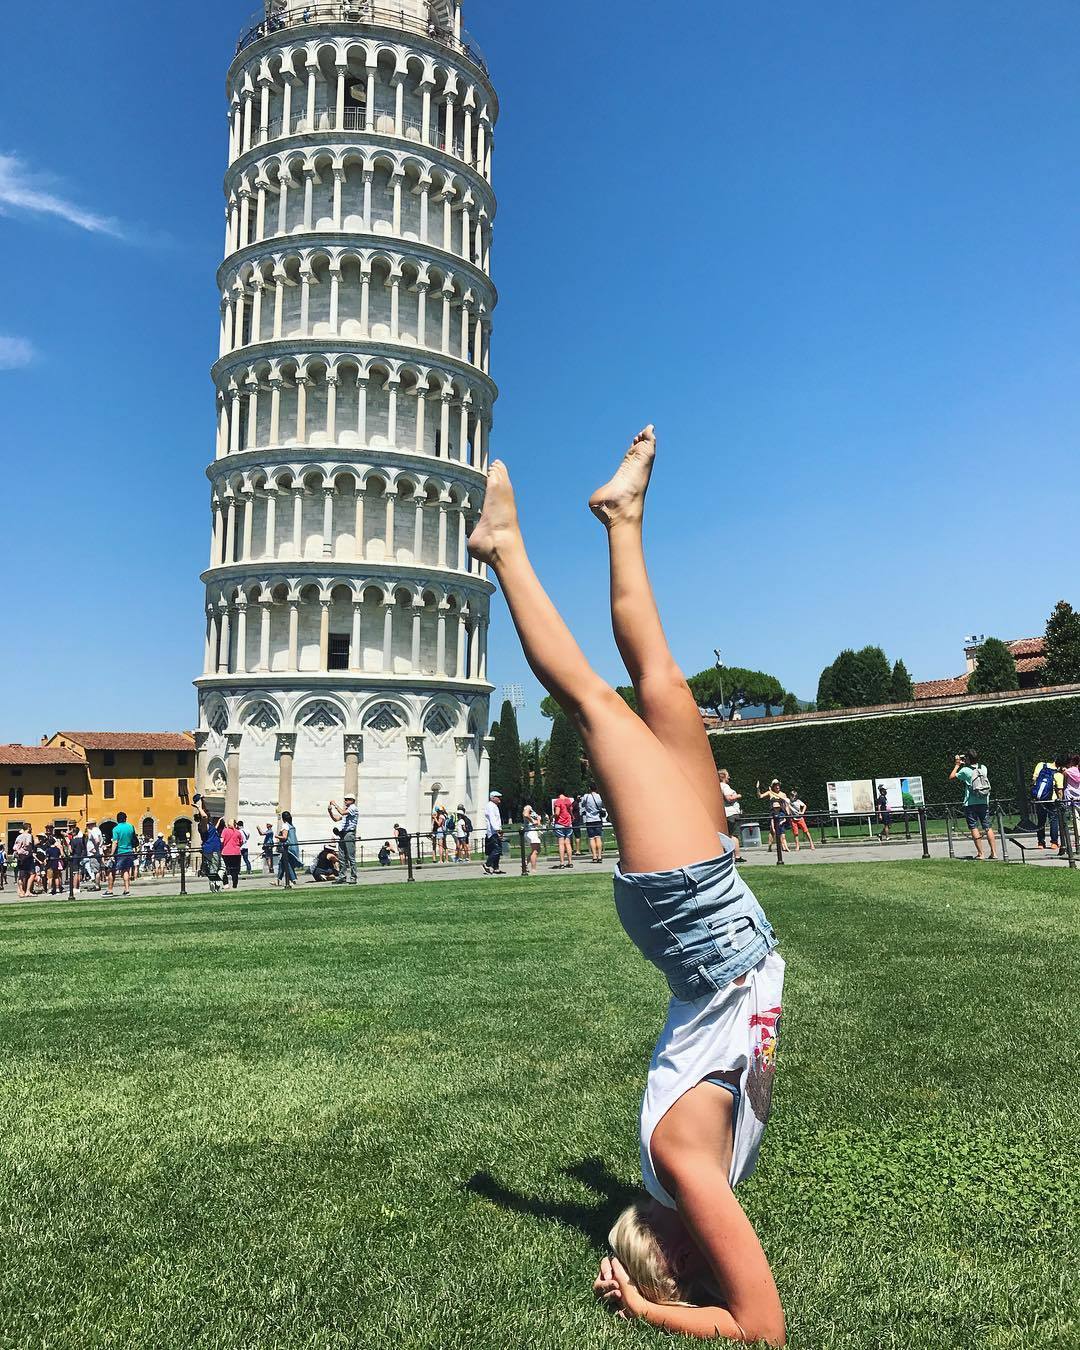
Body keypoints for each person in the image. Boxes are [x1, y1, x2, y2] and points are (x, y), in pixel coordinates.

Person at [468, 429, 783, 1343]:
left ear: (671, 1259)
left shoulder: (684, 1169)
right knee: (660, 680)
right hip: (712, 919)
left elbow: (763, 1332)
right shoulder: (687, 1175)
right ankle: (621, 519)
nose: (709, 1258)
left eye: (683, 1270)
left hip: (701, 926)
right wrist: (653, 1284)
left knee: (595, 705)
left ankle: (502, 550)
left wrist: (646, 1307)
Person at [950, 750, 996, 861]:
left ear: (968, 759)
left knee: (973, 827)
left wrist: (957, 765)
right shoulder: (983, 768)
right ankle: (994, 853)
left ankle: (981, 853)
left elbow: (951, 776)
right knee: (987, 827)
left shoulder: (965, 770)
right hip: (984, 801)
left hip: (970, 803)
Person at [1031, 757, 1064, 852]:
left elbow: (1034, 779)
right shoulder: (1058, 774)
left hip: (1040, 799)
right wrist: (1060, 801)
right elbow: (1060, 790)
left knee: (1041, 821)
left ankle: (1041, 843)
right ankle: (1054, 842)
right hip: (1052, 800)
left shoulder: (1041, 765)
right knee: (1053, 820)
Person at [328, 795, 359, 883]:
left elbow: (342, 813)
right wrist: (330, 811)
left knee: (351, 857)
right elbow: (336, 819)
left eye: (347, 799)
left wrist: (335, 804)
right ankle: (342, 876)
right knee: (341, 857)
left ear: (352, 801)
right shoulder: (347, 810)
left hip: (349, 833)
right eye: (345, 799)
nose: (345, 801)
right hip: (342, 833)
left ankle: (353, 877)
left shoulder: (353, 808)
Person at [108, 811, 139, 896]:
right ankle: (127, 889)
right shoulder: (130, 827)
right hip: (129, 851)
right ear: (125, 818)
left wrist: (112, 854)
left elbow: (115, 842)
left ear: (117, 819)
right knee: (126, 870)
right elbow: (134, 839)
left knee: (111, 870)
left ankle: (110, 890)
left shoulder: (116, 829)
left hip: (119, 852)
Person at [756, 779, 790, 854]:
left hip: (781, 813)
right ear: (773, 786)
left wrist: (788, 814)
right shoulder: (770, 793)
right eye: (776, 785)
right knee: (772, 830)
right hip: (773, 813)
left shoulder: (783, 794)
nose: (777, 787)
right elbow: (760, 796)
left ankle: (783, 846)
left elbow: (786, 805)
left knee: (781, 830)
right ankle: (770, 846)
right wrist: (757, 788)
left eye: (778, 785)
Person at [718, 770, 742, 861]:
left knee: (728, 835)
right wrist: (738, 795)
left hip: (726, 813)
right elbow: (729, 798)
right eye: (728, 775)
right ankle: (737, 856)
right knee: (734, 835)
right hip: (732, 813)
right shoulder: (725, 786)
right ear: (724, 776)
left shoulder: (719, 786)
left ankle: (729, 855)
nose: (729, 777)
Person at [580, 786, 606, 862]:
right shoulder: (599, 796)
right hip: (598, 819)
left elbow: (582, 805)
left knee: (591, 838)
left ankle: (594, 856)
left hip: (589, 819)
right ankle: (600, 856)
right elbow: (602, 805)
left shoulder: (586, 796)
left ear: (589, 788)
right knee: (598, 837)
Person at [552, 789, 575, 868]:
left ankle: (562, 863)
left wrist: (552, 817)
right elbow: (571, 811)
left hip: (560, 823)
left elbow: (557, 813)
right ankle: (570, 862)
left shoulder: (558, 801)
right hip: (568, 823)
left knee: (561, 844)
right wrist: (572, 817)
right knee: (568, 843)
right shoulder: (568, 800)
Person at [483, 790, 505, 875]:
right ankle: (487, 864)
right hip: (493, 832)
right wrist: (497, 829)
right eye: (497, 797)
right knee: (497, 849)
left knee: (497, 849)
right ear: (492, 798)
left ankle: (496, 868)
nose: (499, 798)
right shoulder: (490, 806)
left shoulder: (494, 806)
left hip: (495, 831)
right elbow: (492, 818)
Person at [277, 812, 300, 888]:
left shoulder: (285, 825)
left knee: (287, 863)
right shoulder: (292, 826)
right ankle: (278, 880)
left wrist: (277, 836)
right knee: (282, 863)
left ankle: (293, 879)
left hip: (288, 848)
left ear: (283, 818)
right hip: (294, 846)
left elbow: (284, 837)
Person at [220, 819, 244, 889]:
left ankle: (226, 884)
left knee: (224, 868)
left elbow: (221, 840)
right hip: (236, 853)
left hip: (226, 852)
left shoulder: (225, 831)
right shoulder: (238, 832)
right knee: (235, 869)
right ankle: (235, 884)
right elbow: (241, 842)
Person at [13, 826, 35, 898]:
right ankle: (28, 891)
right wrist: (30, 850)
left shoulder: (19, 836)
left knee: (21, 876)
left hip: (20, 857)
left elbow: (15, 846)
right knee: (32, 874)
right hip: (27, 857)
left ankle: (21, 891)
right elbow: (28, 844)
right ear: (28, 828)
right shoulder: (28, 835)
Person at [522, 802, 542, 873]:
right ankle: (533, 869)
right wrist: (533, 821)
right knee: (535, 850)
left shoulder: (534, 812)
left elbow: (538, 824)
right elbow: (525, 814)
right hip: (530, 831)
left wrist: (538, 820)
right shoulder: (528, 807)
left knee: (538, 849)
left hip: (533, 831)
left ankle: (525, 863)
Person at [84, 820, 104, 891]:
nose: (87, 826)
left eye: (88, 825)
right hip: (97, 853)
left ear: (91, 825)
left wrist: (94, 848)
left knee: (96, 870)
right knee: (97, 870)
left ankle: (97, 885)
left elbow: (97, 840)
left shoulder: (93, 831)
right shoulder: (98, 830)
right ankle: (97, 885)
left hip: (94, 854)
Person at [68, 825, 87, 895]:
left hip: (75, 857)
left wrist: (69, 846)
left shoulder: (73, 840)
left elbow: (71, 850)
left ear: (74, 833)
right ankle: (78, 887)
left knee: (75, 873)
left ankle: (75, 888)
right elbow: (84, 849)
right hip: (80, 856)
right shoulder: (81, 840)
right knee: (79, 872)